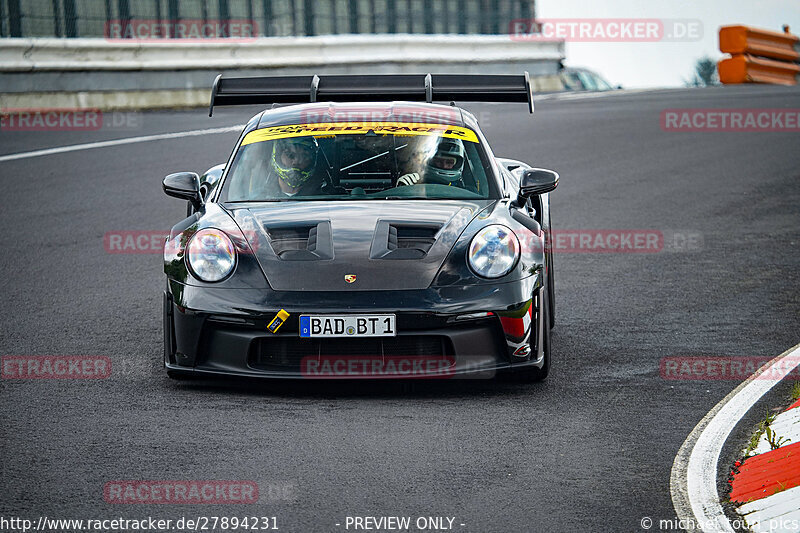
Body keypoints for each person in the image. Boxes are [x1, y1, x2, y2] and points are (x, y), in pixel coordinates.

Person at [396, 137, 465, 187]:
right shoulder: (416, 181)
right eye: (439, 161)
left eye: (449, 162)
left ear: (457, 163)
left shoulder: (466, 189)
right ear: (430, 161)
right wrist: (402, 189)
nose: (444, 166)